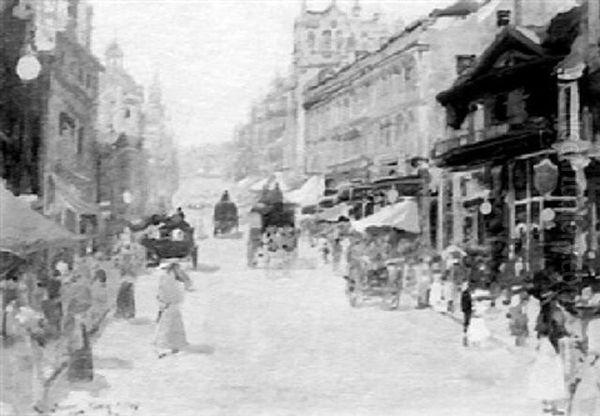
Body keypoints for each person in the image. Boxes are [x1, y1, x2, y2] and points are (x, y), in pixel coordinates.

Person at [154, 260, 188, 358]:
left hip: (169, 305)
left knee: (167, 325)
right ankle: (171, 345)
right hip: (172, 305)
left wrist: (162, 303)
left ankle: (166, 346)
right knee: (172, 325)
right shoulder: (171, 278)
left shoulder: (166, 278)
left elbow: (163, 293)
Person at [528, 336, 568, 415]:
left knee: (550, 386)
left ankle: (550, 406)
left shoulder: (544, 340)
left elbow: (537, 351)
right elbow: (561, 353)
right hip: (551, 364)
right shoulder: (554, 340)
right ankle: (551, 406)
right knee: (552, 386)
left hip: (548, 364)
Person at [460, 281, 472, 346]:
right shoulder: (465, 293)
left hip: (470, 310)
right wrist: (463, 309)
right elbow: (462, 301)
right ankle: (465, 336)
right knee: (467, 323)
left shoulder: (468, 293)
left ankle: (466, 336)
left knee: (469, 323)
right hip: (467, 310)